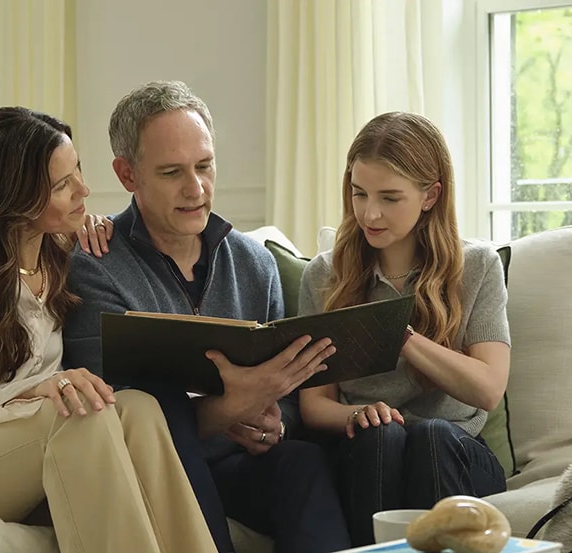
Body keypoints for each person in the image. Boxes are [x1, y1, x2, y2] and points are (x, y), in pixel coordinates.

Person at [0, 106, 219, 553]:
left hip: (7, 458)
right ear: (18, 196)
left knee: (139, 409)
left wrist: (93, 227)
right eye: (63, 185)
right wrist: (34, 390)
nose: (84, 190)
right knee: (74, 413)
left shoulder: (62, 255)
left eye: (78, 173)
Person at [63, 81, 351, 553]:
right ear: (127, 174)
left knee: (302, 464)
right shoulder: (96, 266)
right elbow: (112, 419)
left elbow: (295, 397)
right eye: (172, 171)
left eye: (205, 166)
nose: (195, 189)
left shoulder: (256, 265)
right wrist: (227, 409)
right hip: (158, 469)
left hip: (238, 464)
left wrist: (275, 422)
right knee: (157, 399)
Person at [298, 111, 510, 545]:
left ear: (430, 195)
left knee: (431, 435)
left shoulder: (478, 267)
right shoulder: (324, 276)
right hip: (369, 453)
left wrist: (400, 334)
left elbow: (488, 389)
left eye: (390, 198)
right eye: (359, 194)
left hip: (459, 456)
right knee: (381, 435)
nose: (369, 213)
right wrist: (356, 414)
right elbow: (314, 406)